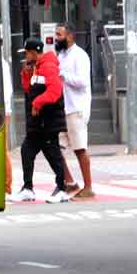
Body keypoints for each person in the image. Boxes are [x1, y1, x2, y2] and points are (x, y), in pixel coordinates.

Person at [11, 38, 70, 204]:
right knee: (28, 151)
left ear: (33, 53)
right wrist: (26, 73)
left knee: (52, 154)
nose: (25, 57)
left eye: (27, 54)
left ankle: (61, 189)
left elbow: (55, 91)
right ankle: (29, 188)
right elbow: (30, 90)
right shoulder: (36, 67)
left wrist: (37, 103)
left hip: (48, 120)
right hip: (39, 122)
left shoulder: (48, 66)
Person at [55, 23, 95, 198]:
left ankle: (88, 187)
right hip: (64, 108)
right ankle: (70, 182)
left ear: (70, 36)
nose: (56, 38)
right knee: (55, 148)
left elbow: (83, 82)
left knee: (79, 148)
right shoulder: (61, 55)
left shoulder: (80, 56)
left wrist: (63, 75)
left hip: (77, 108)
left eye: (59, 34)